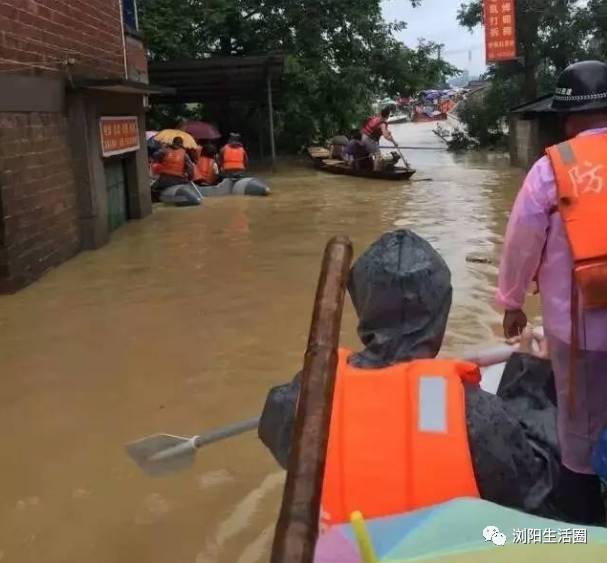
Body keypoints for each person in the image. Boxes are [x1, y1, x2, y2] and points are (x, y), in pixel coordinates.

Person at [259, 230, 598, 527]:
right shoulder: (466, 413)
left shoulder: (302, 397)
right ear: (443, 308)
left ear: (361, 305)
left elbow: (273, 422)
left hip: (352, 547)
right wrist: (529, 372)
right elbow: (539, 483)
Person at [497, 60, 607, 525]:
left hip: (578, 330)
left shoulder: (551, 169)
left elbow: (522, 241)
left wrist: (512, 302)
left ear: (565, 119)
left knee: (578, 434)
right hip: (576, 326)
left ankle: (583, 529)